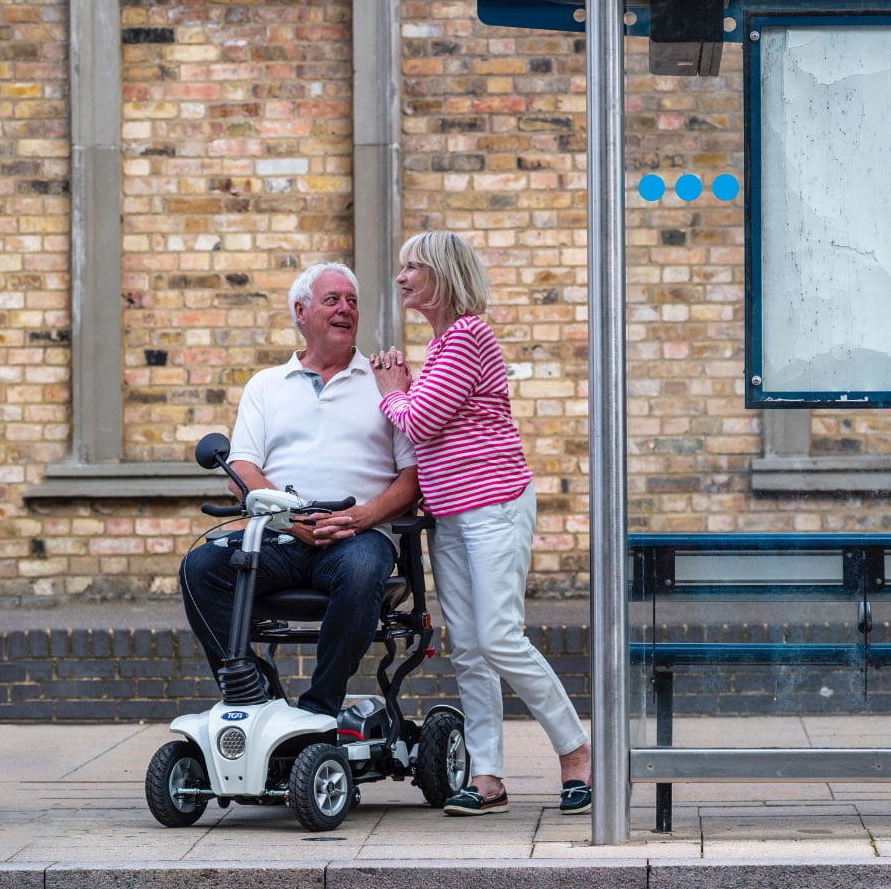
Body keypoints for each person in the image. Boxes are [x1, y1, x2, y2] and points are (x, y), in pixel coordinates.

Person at [371, 231, 592, 816]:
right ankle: (487, 775)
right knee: (468, 648)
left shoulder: (469, 335)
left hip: (494, 505)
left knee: (499, 637)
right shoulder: (442, 345)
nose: (401, 277)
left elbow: (420, 422)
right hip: (450, 514)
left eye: (412, 266)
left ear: (442, 274)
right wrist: (406, 391)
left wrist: (392, 390)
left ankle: (577, 752)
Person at [180, 262, 420, 718]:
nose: (345, 308)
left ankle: (317, 712)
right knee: (200, 567)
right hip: (279, 536)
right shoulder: (266, 385)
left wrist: (361, 517)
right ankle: (253, 698)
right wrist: (290, 519)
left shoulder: (385, 382)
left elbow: (412, 479)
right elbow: (242, 468)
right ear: (301, 311)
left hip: (357, 535)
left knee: (361, 568)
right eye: (332, 300)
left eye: (352, 301)